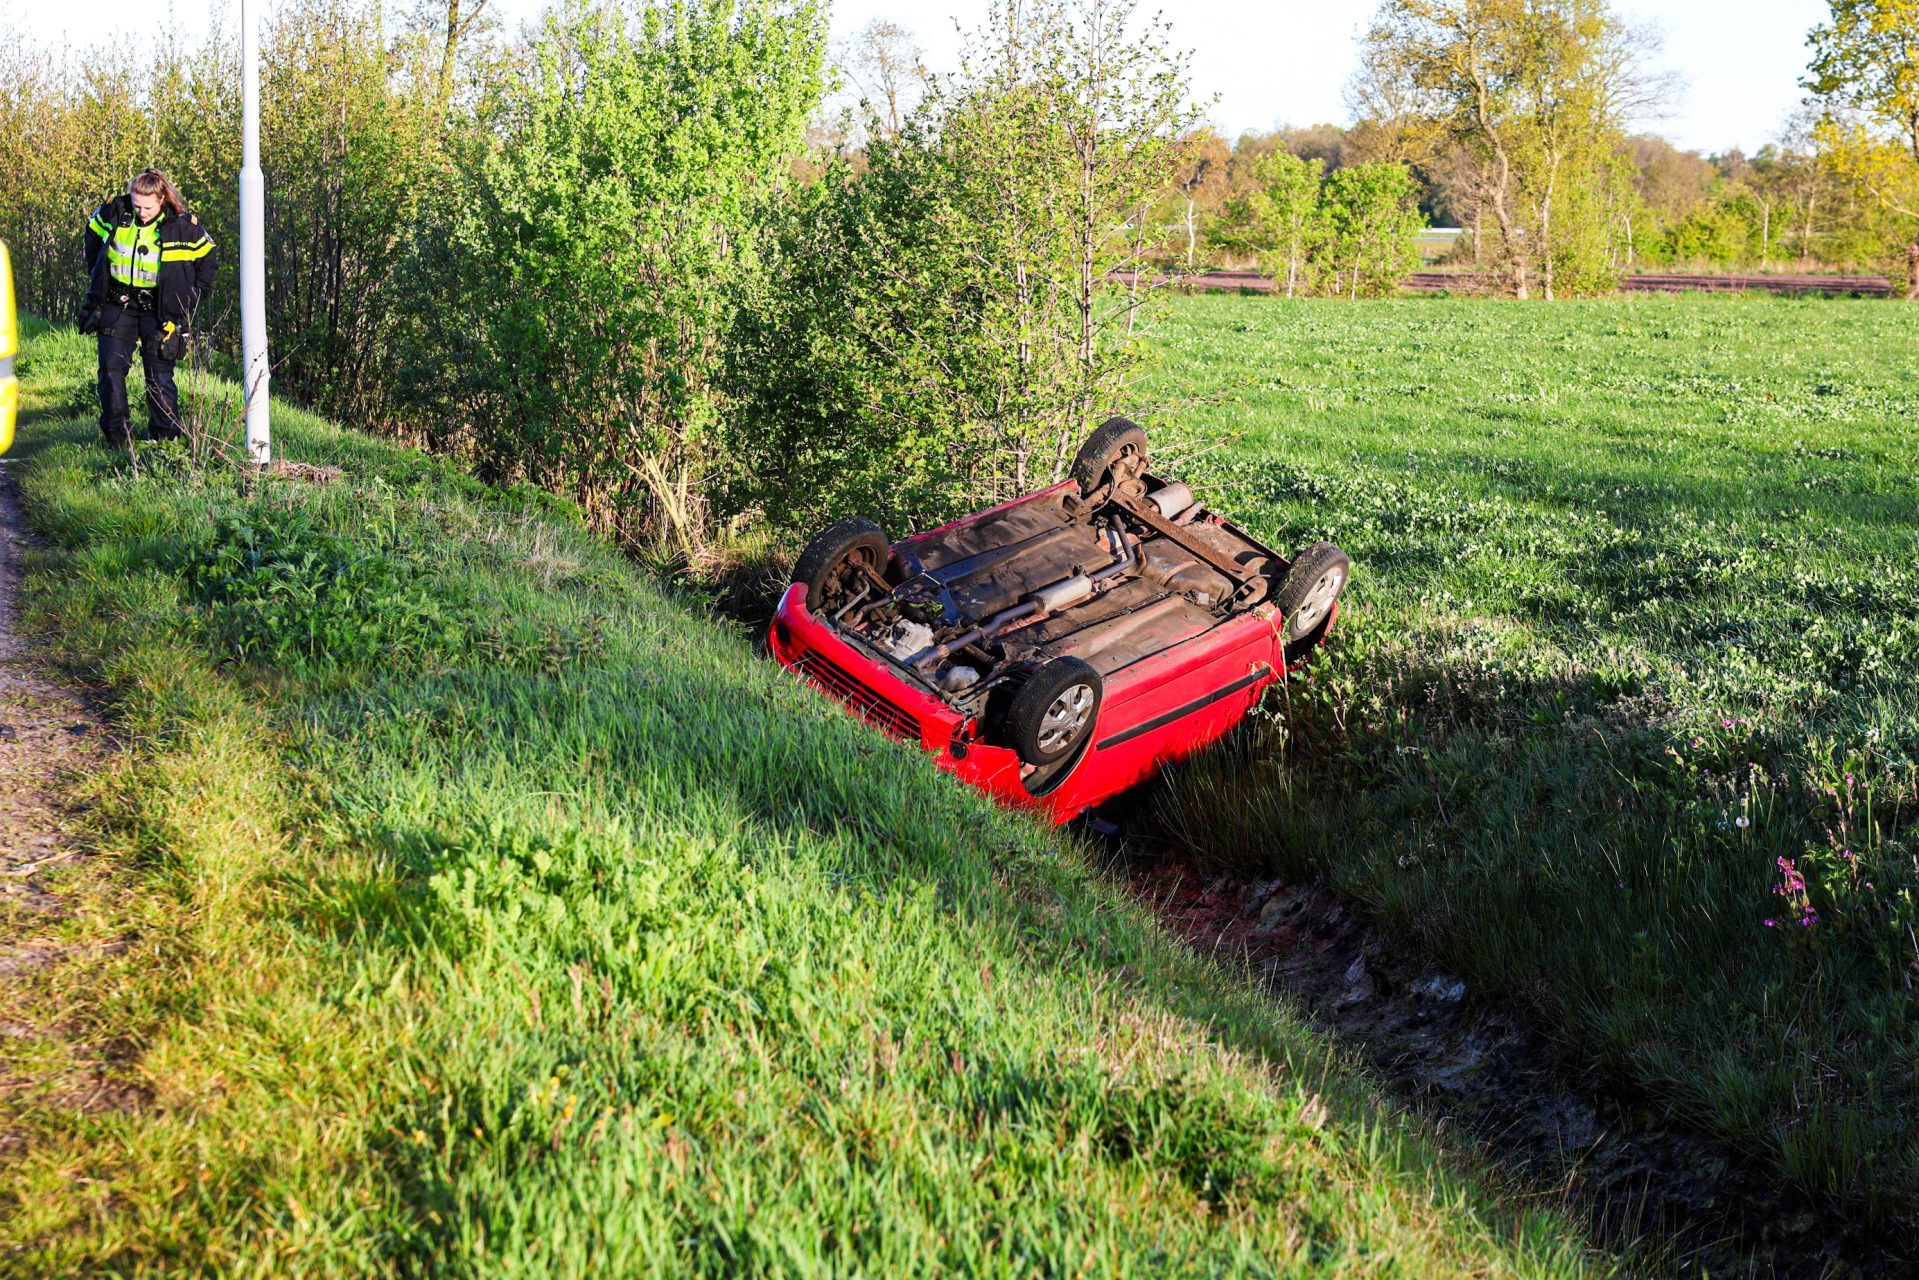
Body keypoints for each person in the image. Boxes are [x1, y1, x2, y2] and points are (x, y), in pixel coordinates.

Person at [80, 170, 217, 445]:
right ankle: (117, 438)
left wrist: (190, 299)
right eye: (137, 204)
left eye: (148, 207)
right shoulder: (113, 212)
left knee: (159, 377)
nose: (141, 212)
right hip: (118, 305)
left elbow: (208, 259)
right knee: (110, 370)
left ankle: (165, 440)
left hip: (160, 312)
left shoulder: (183, 226)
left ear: (163, 199)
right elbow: (92, 236)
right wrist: (97, 275)